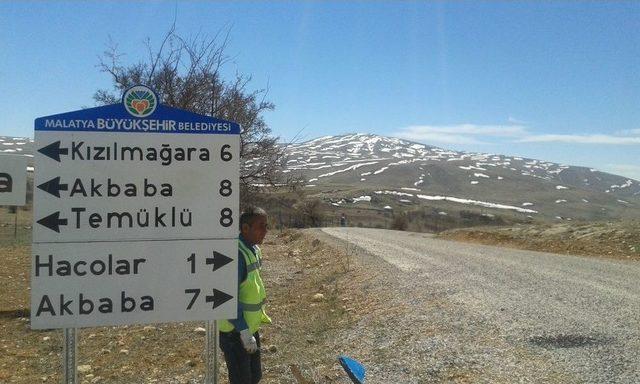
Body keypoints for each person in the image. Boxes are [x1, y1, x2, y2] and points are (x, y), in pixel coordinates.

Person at [218, 206, 272, 384]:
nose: (265, 231)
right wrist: (243, 331)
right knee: (242, 380)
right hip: (235, 332)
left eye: (266, 226)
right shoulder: (236, 254)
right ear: (245, 228)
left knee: (254, 376)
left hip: (249, 329)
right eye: (261, 226)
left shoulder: (253, 249)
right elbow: (227, 297)